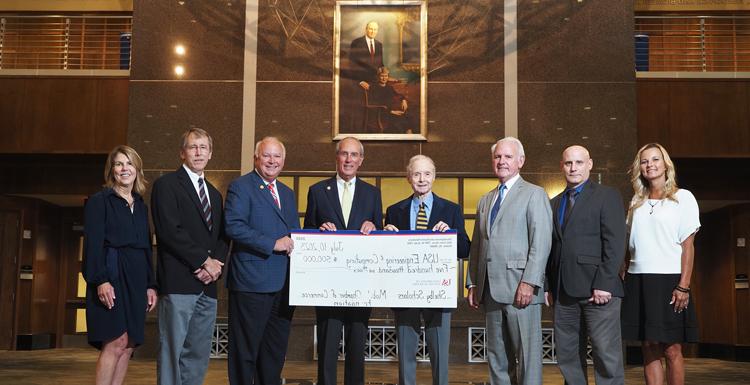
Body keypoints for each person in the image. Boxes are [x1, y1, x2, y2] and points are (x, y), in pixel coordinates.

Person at [466, 137, 553, 385]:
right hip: (490, 291)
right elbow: (477, 245)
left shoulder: (535, 195)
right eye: (497, 157)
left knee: (527, 358)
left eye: (507, 157)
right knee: (497, 357)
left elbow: (541, 243)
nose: (501, 161)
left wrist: (530, 282)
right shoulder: (486, 199)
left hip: (520, 289)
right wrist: (472, 283)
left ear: (521, 161)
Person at [151, 128, 229, 385]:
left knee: (198, 353)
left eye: (203, 147)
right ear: (182, 153)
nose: (198, 152)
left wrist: (214, 265)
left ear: (210, 154)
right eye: (193, 147)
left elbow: (222, 237)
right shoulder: (166, 185)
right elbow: (169, 231)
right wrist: (202, 261)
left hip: (208, 286)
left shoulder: (215, 195)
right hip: (178, 283)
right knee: (172, 351)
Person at [384, 154, 470, 385]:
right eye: (416, 173)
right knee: (405, 357)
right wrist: (384, 237)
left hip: (437, 293)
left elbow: (465, 249)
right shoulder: (394, 211)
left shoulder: (451, 210)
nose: (422, 179)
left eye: (427, 174)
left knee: (440, 355)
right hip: (405, 294)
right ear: (408, 177)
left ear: (435, 177)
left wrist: (451, 233)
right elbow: (385, 256)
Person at [303, 136, 383, 385]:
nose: (349, 159)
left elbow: (380, 239)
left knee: (357, 344)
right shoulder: (317, 191)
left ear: (361, 160)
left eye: (354, 155)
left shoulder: (372, 193)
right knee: (327, 344)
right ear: (336, 157)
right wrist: (318, 229)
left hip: (361, 284)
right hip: (328, 284)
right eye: (344, 154)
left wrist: (375, 228)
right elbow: (308, 234)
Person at [545, 145, 626, 385]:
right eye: (569, 163)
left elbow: (615, 243)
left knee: (606, 356)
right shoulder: (554, 203)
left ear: (590, 164)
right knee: (568, 356)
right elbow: (551, 249)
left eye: (579, 163)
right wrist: (550, 286)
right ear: (562, 166)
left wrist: (604, 283)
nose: (573, 168)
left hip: (599, 291)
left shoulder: (607, 196)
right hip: (563, 293)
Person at [621, 143, 700, 385]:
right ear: (639, 167)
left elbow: (688, 246)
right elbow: (629, 245)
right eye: (644, 161)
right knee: (649, 346)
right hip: (638, 280)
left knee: (672, 348)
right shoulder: (636, 201)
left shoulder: (683, 198)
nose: (650, 165)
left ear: (666, 164)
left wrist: (683, 285)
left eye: (655, 159)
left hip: (669, 281)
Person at [224, 137, 299, 385]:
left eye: (277, 156)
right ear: (256, 158)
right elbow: (234, 226)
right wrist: (272, 243)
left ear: (284, 161)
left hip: (284, 286)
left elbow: (294, 234)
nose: (272, 161)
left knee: (274, 352)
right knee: (245, 352)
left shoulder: (287, 194)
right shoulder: (241, 187)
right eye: (266, 155)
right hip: (251, 283)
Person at [82, 145, 158, 385]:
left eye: (129, 164)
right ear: (111, 170)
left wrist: (150, 284)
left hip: (136, 279)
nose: (125, 169)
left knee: (128, 345)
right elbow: (93, 245)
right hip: (111, 276)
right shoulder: (99, 201)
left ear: (137, 169)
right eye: (119, 164)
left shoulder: (140, 205)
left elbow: (146, 247)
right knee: (115, 341)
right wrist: (101, 280)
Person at [365, 66, 410, 133]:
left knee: (408, 116)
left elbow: (398, 95)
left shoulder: (389, 88)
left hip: (391, 112)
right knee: (401, 120)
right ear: (378, 77)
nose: (384, 78)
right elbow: (376, 103)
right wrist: (391, 111)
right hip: (381, 113)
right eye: (382, 76)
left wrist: (403, 100)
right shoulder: (374, 88)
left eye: (386, 76)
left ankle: (410, 137)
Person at [348, 21, 384, 91]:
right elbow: (352, 64)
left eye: (375, 29)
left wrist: (385, 74)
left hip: (375, 82)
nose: (373, 31)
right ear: (366, 29)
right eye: (371, 29)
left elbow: (380, 64)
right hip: (360, 82)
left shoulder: (379, 45)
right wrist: (360, 81)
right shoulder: (356, 43)